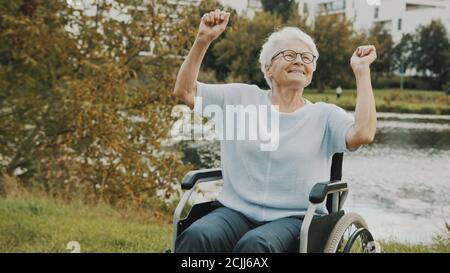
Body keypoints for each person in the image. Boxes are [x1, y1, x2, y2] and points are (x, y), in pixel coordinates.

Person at [173, 9, 377, 253]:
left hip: (295, 218)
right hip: (235, 212)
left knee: (256, 246)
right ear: (268, 68)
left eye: (307, 57)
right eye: (289, 55)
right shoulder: (240, 98)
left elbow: (363, 133)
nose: (300, 61)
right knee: (198, 235)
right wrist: (202, 40)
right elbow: (185, 92)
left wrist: (362, 71)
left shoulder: (324, 115)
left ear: (311, 71)